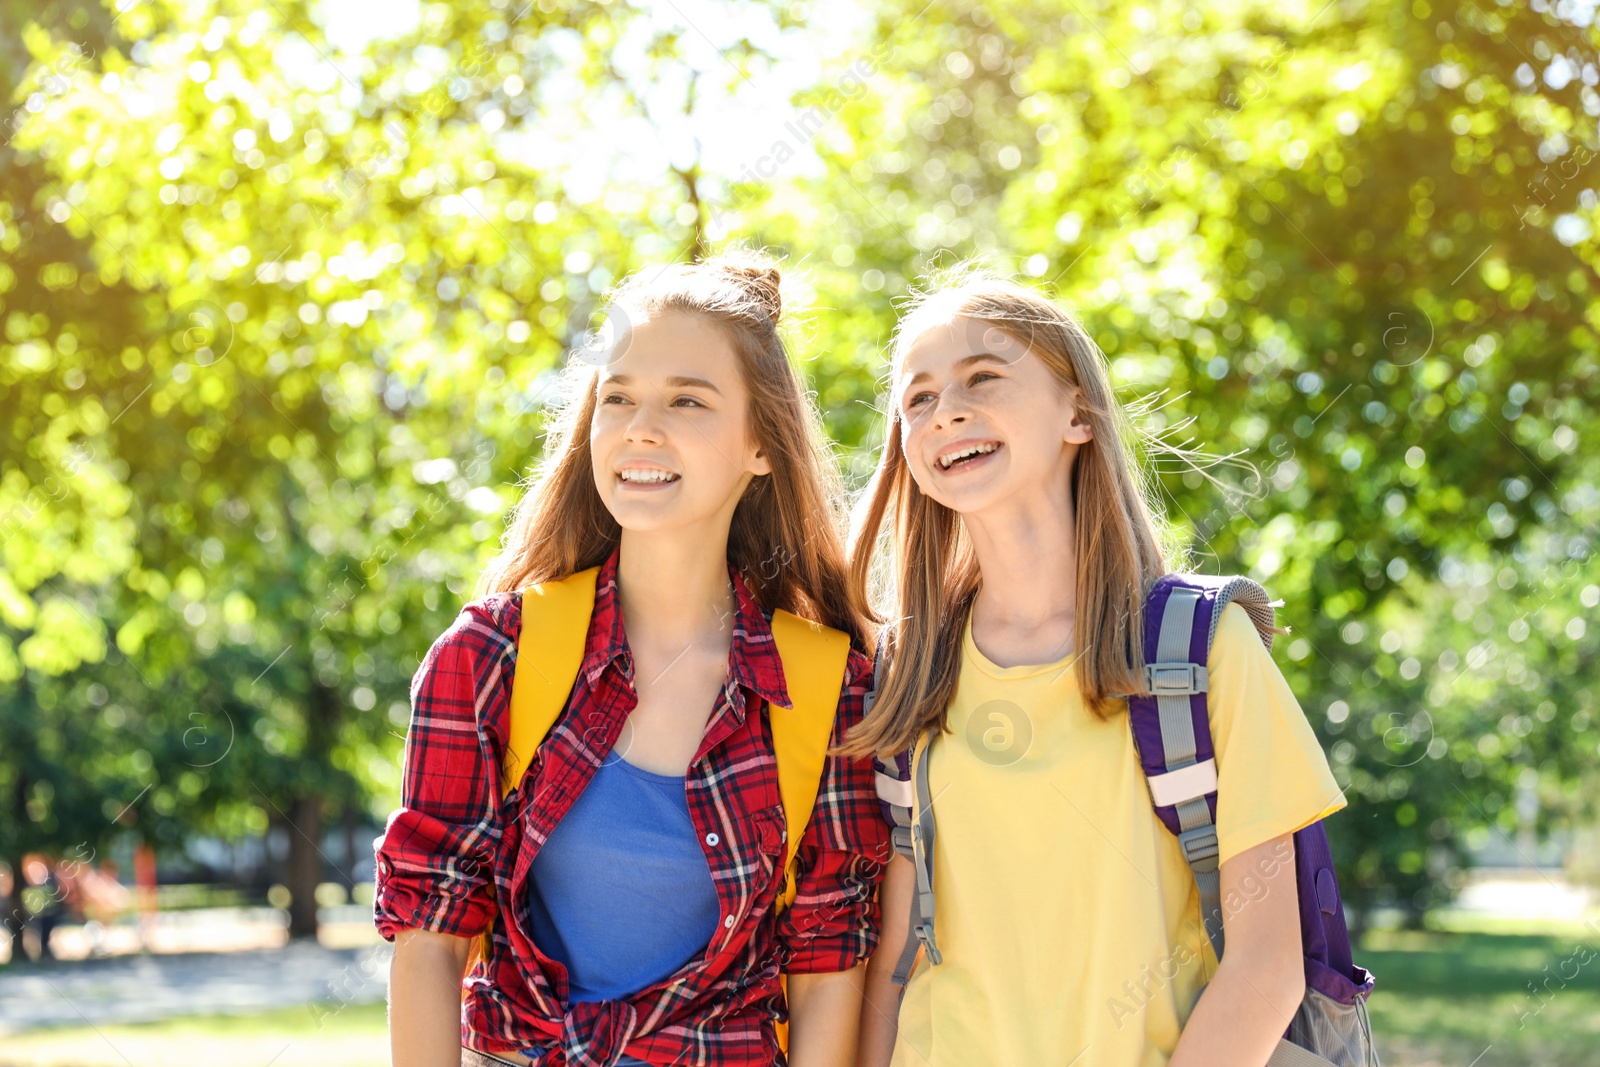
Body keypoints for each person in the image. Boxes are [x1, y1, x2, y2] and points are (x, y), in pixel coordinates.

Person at [374, 252, 890, 1067]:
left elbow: (827, 963)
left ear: (762, 444)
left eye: (687, 399)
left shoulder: (830, 689)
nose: (641, 427)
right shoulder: (489, 656)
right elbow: (429, 938)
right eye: (617, 398)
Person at [843, 267, 1348, 1067]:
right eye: (919, 398)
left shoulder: (1201, 647)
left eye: (982, 377)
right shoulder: (909, 668)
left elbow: (1268, 965)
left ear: (1077, 411)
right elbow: (896, 958)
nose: (947, 412)